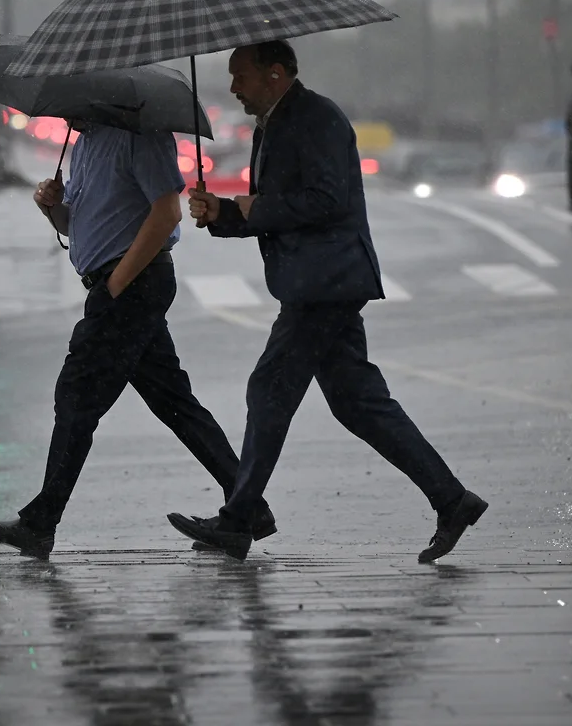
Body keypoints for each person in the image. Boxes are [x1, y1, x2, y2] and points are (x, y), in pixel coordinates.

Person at [167, 41, 487, 562]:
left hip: (325, 281)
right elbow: (275, 208)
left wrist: (247, 206)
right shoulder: (275, 121)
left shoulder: (316, 118)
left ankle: (239, 518)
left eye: (239, 75)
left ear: (275, 74)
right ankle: (452, 500)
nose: (232, 87)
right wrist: (224, 213)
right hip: (320, 280)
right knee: (358, 402)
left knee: (269, 388)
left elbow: (325, 200)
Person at [0, 121, 275, 560]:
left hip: (131, 286)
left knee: (76, 398)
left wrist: (117, 283)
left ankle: (40, 522)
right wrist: (51, 207)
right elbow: (82, 226)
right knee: (176, 404)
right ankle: (250, 510)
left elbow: (166, 212)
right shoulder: (86, 142)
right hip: (117, 286)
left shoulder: (140, 134)